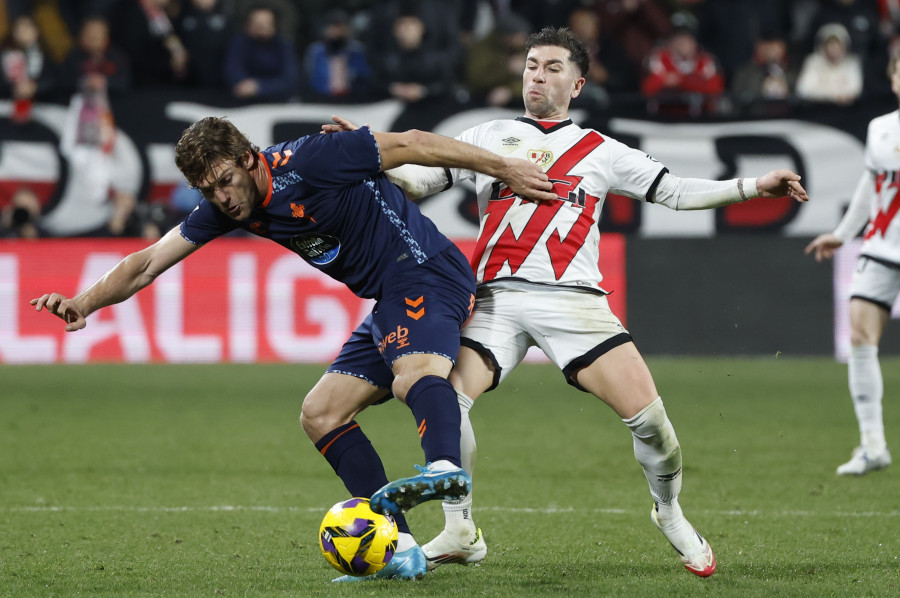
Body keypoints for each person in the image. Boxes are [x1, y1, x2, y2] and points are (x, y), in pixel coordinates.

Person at [324, 26, 809, 578]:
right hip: (494, 300)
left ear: (577, 84)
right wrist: (366, 156)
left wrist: (752, 186)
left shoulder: (601, 151)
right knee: (447, 398)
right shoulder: (486, 134)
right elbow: (419, 181)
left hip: (575, 302)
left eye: (553, 67)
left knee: (652, 424)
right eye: (532, 65)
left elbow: (674, 191)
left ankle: (668, 511)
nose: (538, 75)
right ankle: (459, 528)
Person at [31, 116, 556, 581]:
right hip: (387, 301)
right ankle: (401, 547)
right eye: (208, 191)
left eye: (225, 182)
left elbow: (416, 143)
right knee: (321, 413)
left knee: (412, 374)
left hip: (424, 271)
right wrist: (84, 303)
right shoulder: (228, 208)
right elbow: (147, 262)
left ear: (248, 159)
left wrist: (505, 167)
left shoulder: (314, 158)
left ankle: (443, 469)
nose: (222, 198)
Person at [803, 47, 900, 476]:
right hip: (881, 246)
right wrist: (843, 233)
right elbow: (871, 182)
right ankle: (872, 444)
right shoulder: (880, 129)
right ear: (893, 80)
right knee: (861, 334)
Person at [795, 22, 863, 105]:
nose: (834, 49)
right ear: (823, 46)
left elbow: (855, 90)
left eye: (837, 45)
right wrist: (835, 96)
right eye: (831, 45)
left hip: (844, 111)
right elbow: (804, 90)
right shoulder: (813, 61)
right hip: (816, 109)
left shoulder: (852, 63)